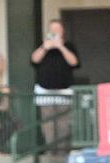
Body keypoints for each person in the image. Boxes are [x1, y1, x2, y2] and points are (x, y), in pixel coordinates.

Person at [30, 19, 80, 152]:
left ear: (62, 31)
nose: (55, 32)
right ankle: (51, 151)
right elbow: (34, 59)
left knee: (64, 123)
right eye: (52, 29)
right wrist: (45, 47)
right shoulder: (42, 45)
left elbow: (74, 62)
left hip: (64, 91)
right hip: (45, 91)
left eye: (57, 29)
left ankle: (63, 151)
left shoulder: (69, 46)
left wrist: (61, 47)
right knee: (48, 123)